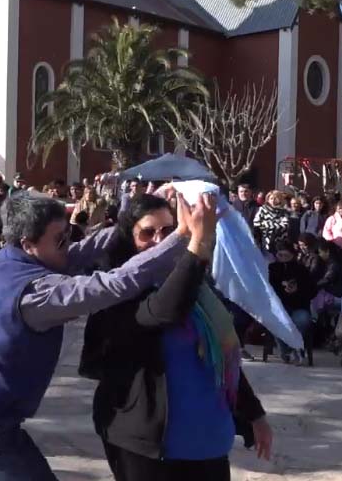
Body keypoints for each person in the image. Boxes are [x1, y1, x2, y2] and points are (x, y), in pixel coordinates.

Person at [0, 191, 211, 479]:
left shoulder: (6, 259)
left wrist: (132, 218)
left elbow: (79, 252)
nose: (69, 245)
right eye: (60, 240)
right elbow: (114, 284)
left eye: (68, 234)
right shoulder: (36, 296)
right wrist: (181, 237)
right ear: (28, 244)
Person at [80, 194, 271, 481]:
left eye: (169, 231)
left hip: (208, 443)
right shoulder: (116, 291)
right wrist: (198, 246)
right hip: (146, 445)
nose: (160, 241)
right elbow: (165, 309)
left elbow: (220, 357)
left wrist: (254, 414)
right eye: (147, 233)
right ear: (129, 239)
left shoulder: (198, 291)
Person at [268, 240, 315, 364]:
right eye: (280, 255)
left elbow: (311, 290)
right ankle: (286, 349)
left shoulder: (302, 270)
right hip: (278, 307)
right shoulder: (271, 269)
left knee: (302, 320)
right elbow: (267, 289)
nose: (283, 259)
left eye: (286, 256)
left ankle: (295, 347)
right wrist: (281, 288)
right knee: (275, 321)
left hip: (298, 307)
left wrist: (297, 290)